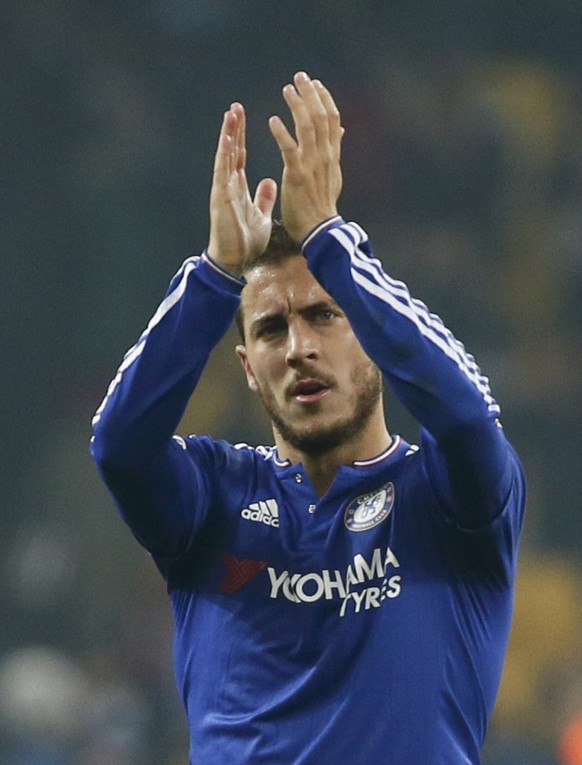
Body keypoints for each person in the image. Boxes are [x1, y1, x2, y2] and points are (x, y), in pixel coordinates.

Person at [91, 71, 526, 764]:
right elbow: (118, 446)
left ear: (377, 337)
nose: (299, 348)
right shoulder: (212, 498)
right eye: (270, 330)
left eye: (325, 314)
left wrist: (330, 236)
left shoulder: (448, 499)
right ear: (247, 365)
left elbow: (472, 417)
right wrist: (214, 273)